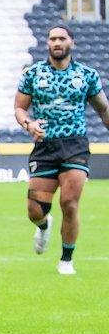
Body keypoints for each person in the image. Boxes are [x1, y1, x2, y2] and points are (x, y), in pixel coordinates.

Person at [14, 25, 109, 275]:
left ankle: (66, 260)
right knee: (35, 211)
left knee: (69, 202)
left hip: (75, 145)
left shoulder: (86, 75)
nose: (56, 42)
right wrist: (29, 123)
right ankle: (44, 226)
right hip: (44, 146)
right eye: (52, 39)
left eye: (61, 38)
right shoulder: (32, 74)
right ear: (47, 44)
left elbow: (103, 109)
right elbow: (20, 109)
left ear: (71, 43)